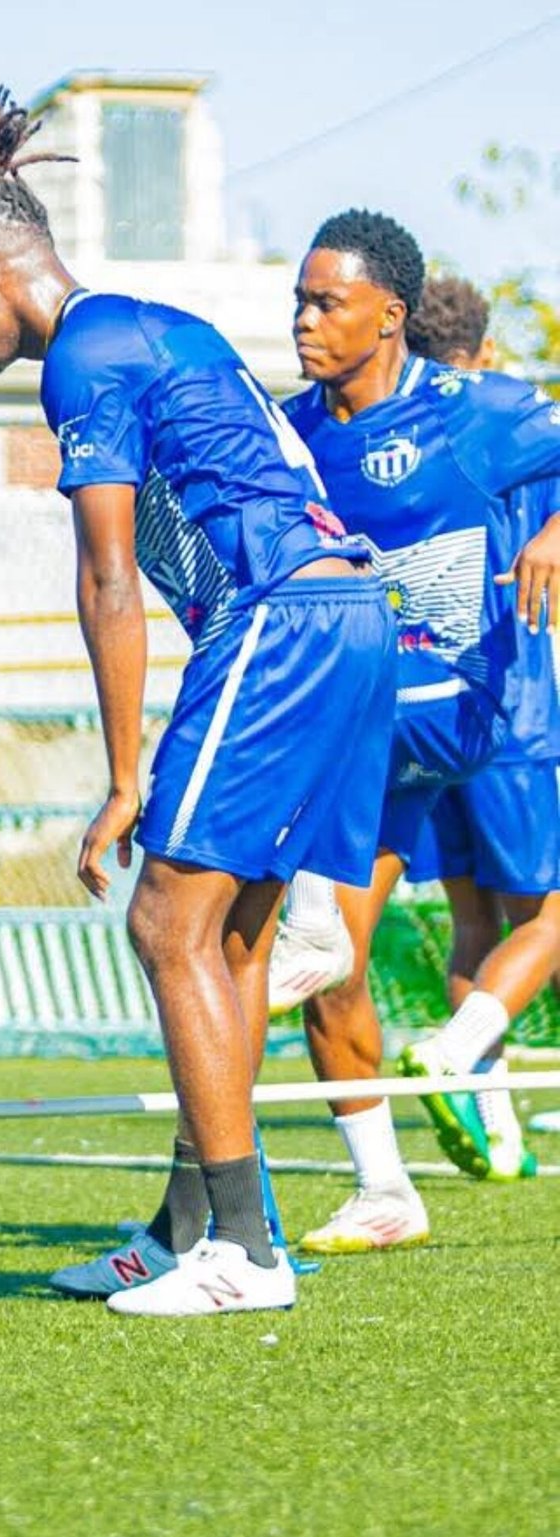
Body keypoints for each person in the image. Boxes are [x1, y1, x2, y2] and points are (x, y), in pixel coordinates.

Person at [0, 88, 394, 1315]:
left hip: (281, 617)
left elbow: (107, 577)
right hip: (347, 619)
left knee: (163, 927)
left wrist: (123, 773)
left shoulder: (81, 354)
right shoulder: (155, 326)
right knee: (226, 932)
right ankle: (187, 1226)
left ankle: (245, 1249)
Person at [275, 220, 560, 1254]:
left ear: (389, 317)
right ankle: (384, 1188)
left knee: (532, 915)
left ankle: (468, 1053)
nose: (302, 321)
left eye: (325, 304)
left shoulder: (472, 413)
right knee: (329, 966)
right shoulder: (289, 431)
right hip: (367, 737)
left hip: (483, 719)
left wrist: (553, 532)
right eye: (297, 301)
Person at [390, 275, 551, 1181]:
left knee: (472, 926)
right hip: (512, 710)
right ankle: (458, 1055)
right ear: (484, 351)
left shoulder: (399, 426)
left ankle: (496, 1128)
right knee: (550, 919)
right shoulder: (502, 414)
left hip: (420, 714)